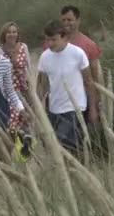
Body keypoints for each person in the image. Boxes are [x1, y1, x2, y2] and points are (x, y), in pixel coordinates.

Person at [36, 20, 98, 155]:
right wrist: (39, 108)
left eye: (54, 39)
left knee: (62, 142)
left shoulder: (78, 54)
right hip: (54, 108)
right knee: (61, 147)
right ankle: (75, 171)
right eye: (47, 40)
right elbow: (42, 84)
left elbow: (89, 82)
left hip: (75, 108)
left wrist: (93, 108)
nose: (50, 44)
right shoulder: (45, 57)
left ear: (64, 37)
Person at [0, 22, 34, 156]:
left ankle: (25, 157)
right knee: (11, 126)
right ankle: (7, 155)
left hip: (23, 90)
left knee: (26, 124)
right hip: (9, 93)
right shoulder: (0, 51)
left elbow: (28, 68)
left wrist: (30, 89)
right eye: (9, 32)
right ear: (4, 35)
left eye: (14, 32)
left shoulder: (23, 47)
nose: (12, 34)